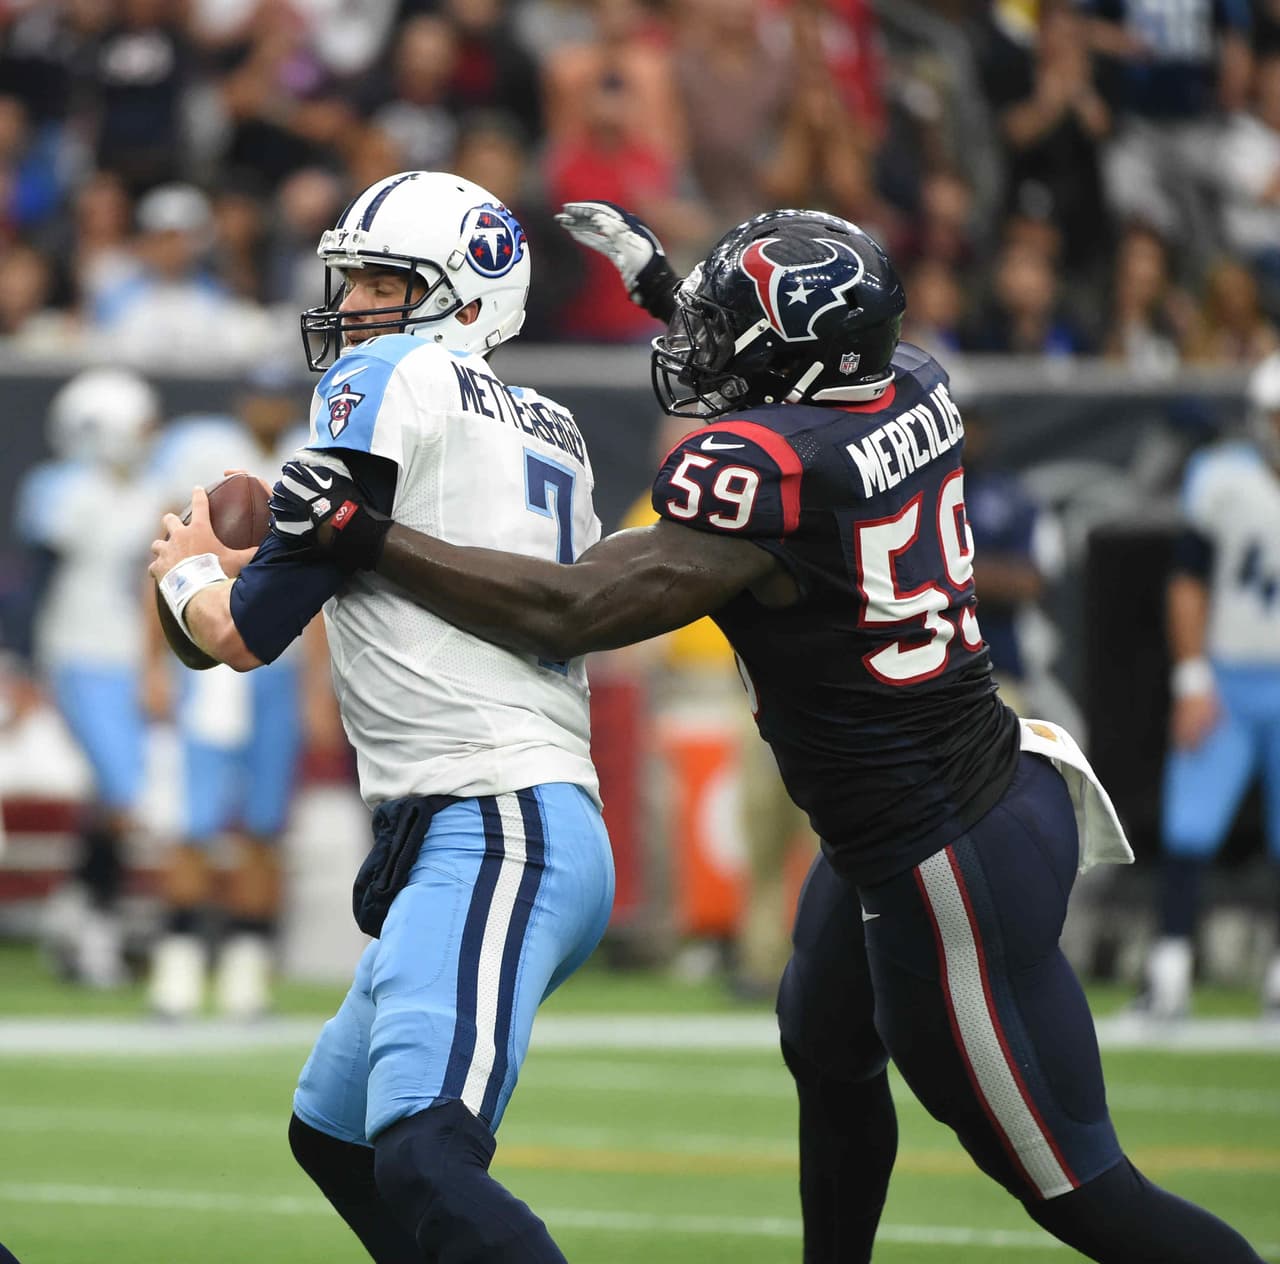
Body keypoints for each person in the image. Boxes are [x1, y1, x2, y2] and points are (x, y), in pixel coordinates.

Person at [266, 201, 1268, 1264]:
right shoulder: (911, 377)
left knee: (1079, 1189)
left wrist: (366, 534)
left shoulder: (766, 477)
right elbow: (793, 374)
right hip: (946, 789)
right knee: (823, 1040)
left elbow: (566, 608)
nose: (690, 344)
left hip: (941, 855)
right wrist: (667, 287)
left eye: (718, 328)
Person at [147, 170, 613, 1264]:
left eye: (380, 279)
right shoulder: (553, 425)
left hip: (495, 813)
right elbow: (385, 557)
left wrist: (181, 575)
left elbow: (244, 633)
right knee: (338, 1136)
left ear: (465, 294)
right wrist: (257, 557)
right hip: (506, 809)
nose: (352, 302)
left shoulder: (388, 372)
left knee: (420, 1153)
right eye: (350, 278)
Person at [144, 359, 338, 1021]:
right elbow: (166, 564)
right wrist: (154, 662)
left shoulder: (310, 458)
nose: (267, 409)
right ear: (241, 400)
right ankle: (176, 973)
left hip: (276, 667)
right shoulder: (201, 454)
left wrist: (317, 685)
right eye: (259, 397)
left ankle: (246, 976)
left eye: (277, 398)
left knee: (264, 824)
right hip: (206, 665)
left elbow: (314, 592)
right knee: (193, 822)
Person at [1141, 350, 1280, 1021]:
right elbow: (1188, 583)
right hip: (1227, 675)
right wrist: (1193, 677)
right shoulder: (1224, 479)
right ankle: (1168, 973)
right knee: (1189, 825)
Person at [13, 367, 162, 988]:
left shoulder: (147, 491)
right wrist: (23, 668)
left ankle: (75, 915)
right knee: (123, 799)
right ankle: (94, 927)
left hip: (124, 656)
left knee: (110, 804)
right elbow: (34, 585)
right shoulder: (60, 489)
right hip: (76, 653)